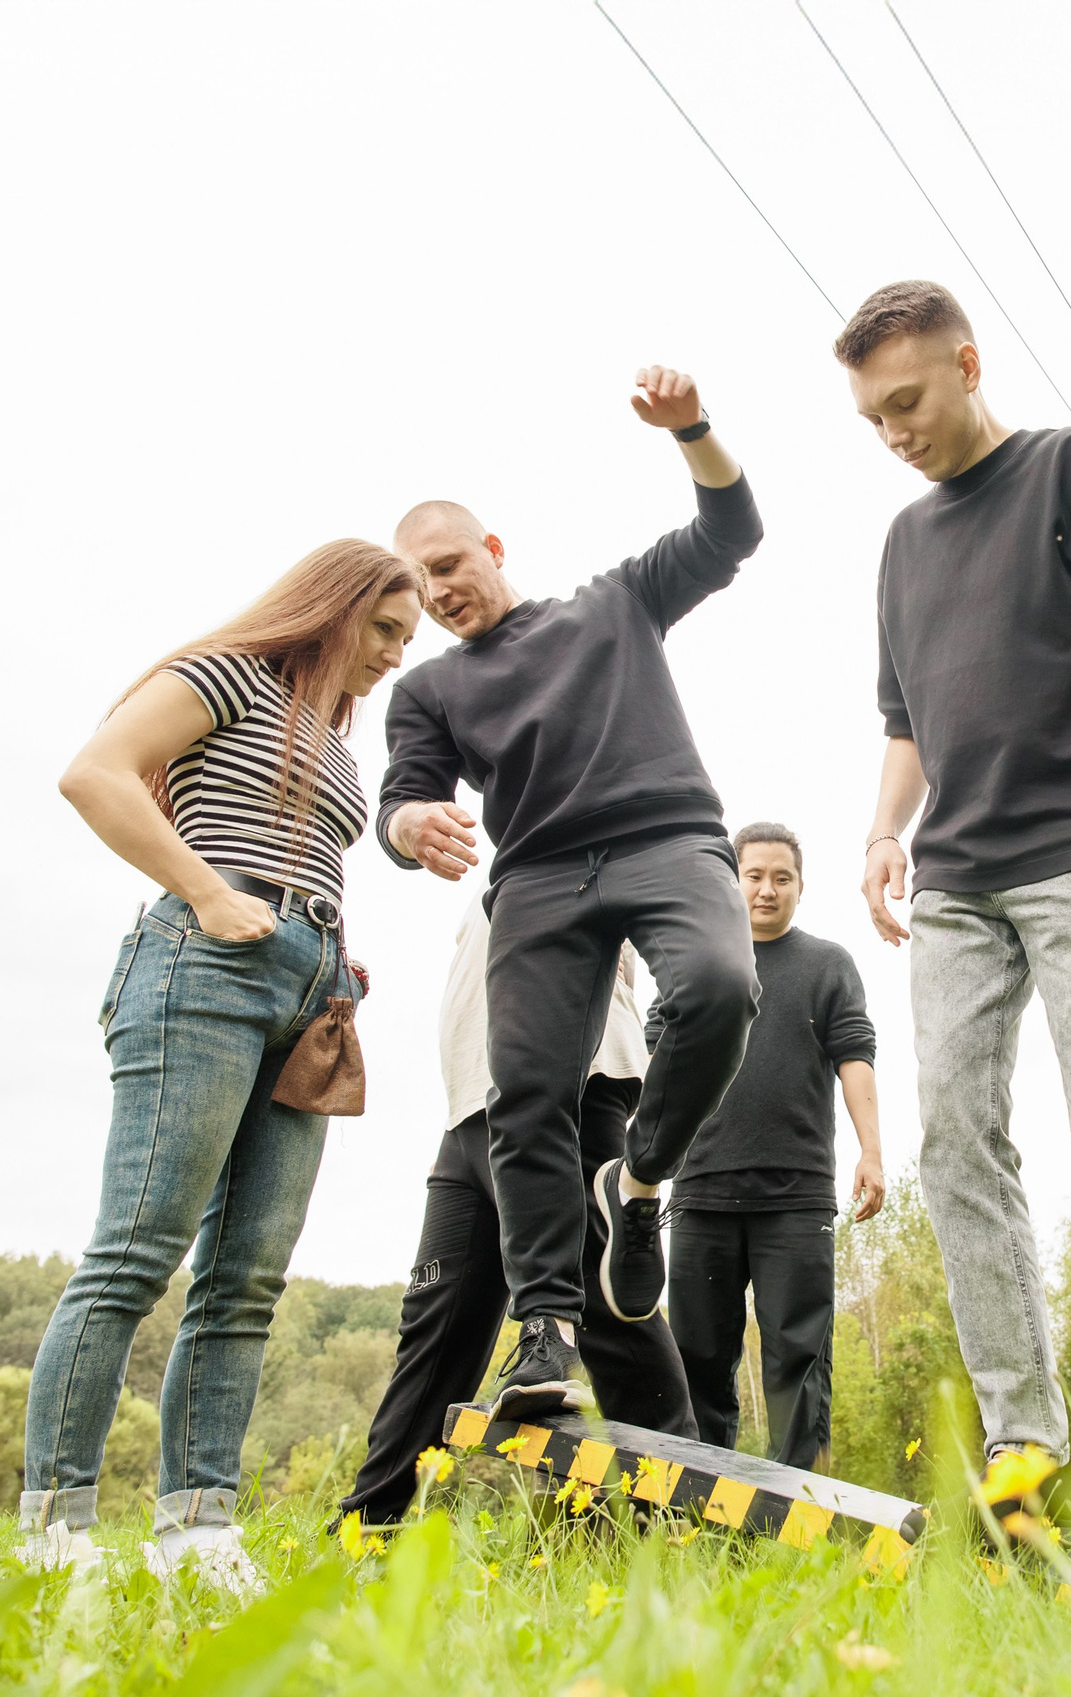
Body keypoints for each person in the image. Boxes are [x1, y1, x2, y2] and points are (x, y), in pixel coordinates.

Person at [835, 281, 1071, 1507]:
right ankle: (1025, 1447)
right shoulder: (904, 543)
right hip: (956, 883)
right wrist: (884, 831)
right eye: (872, 417)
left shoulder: (1067, 468)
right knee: (955, 1145)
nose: (893, 432)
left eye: (906, 402)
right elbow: (906, 721)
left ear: (966, 364)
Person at [22, 540, 426, 1586]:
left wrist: (331, 961)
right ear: (331, 607)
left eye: (406, 638)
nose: (394, 654)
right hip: (203, 967)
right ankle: (56, 1529)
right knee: (136, 1252)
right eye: (384, 628)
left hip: (309, 993)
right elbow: (93, 774)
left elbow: (304, 858)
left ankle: (198, 1529)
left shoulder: (334, 741)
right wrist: (207, 893)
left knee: (247, 1277)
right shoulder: (230, 672)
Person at [377, 367, 763, 1419]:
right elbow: (403, 798)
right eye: (417, 585)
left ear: (492, 549)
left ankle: (638, 1182)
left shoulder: (613, 605)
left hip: (666, 839)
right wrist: (409, 828)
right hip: (539, 878)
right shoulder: (429, 690)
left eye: (448, 565)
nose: (438, 592)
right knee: (527, 1095)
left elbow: (731, 532)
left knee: (720, 986)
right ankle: (544, 1327)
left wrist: (692, 429)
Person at [337, 902, 693, 1525]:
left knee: (603, 1299)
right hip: (471, 1102)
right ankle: (370, 1524)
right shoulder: (507, 857)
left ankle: (676, 1509)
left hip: (568, 1088)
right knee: (438, 1324)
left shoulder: (583, 852)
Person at [659, 822, 882, 1470]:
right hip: (701, 1190)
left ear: (800, 887)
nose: (766, 889)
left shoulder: (828, 964)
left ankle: (796, 1511)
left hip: (797, 1195)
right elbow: (658, 1064)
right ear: (731, 882)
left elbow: (856, 1057)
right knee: (697, 1361)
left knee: (798, 1362)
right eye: (753, 875)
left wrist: (871, 1151)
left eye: (781, 877)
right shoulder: (694, 963)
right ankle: (695, 1509)